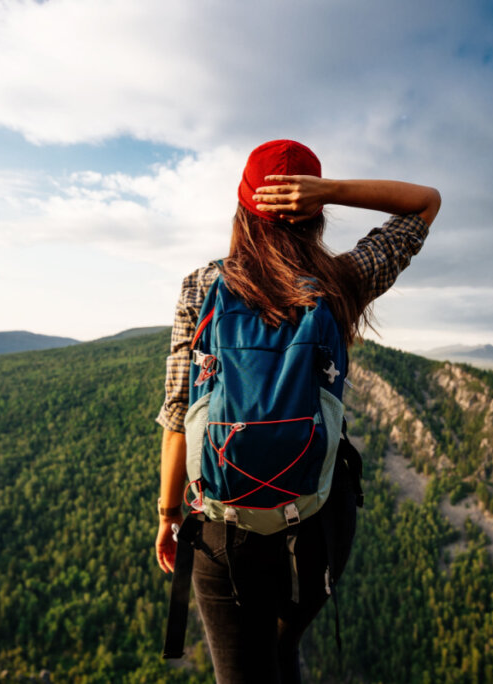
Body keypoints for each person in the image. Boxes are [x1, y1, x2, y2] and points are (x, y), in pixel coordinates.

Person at [154, 139, 440, 683]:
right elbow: (425, 202)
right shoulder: (342, 282)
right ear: (314, 213)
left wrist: (169, 516)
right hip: (315, 520)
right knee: (285, 646)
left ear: (242, 208)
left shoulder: (203, 286)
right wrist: (330, 191)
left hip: (222, 526)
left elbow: (177, 415)